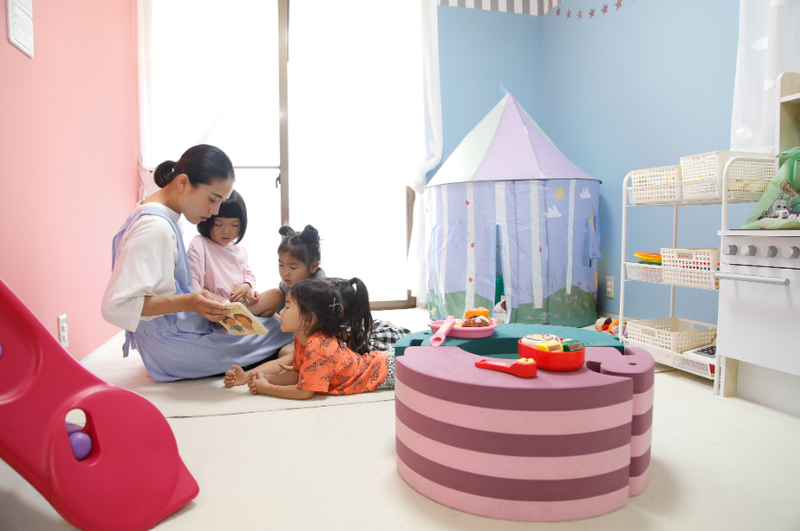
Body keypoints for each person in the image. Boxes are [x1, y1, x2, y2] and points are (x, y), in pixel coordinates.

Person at [101, 144, 294, 382]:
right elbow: (117, 306)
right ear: (183, 183)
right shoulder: (156, 227)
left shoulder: (160, 216)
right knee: (280, 330)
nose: (215, 211)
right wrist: (191, 301)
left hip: (172, 334)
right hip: (172, 347)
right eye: (213, 199)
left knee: (268, 322)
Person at [230, 278, 393, 399]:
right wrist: (264, 378)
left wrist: (267, 388)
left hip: (388, 370)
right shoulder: (301, 339)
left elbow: (305, 392)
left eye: (287, 306)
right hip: (381, 363)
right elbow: (299, 375)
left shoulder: (318, 347)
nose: (281, 312)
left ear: (308, 319)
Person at [187, 189, 259, 306]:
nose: (226, 231)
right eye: (219, 224)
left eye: (234, 225)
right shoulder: (200, 243)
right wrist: (221, 302)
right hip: (214, 304)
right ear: (207, 220)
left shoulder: (240, 249)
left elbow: (249, 274)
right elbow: (193, 282)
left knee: (275, 295)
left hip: (239, 304)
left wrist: (247, 286)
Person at [249, 224, 327, 317]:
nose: (285, 273)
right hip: (283, 319)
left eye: (293, 268)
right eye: (281, 265)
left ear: (313, 267)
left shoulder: (318, 290)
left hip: (301, 323)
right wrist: (253, 297)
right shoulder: (286, 284)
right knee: (274, 294)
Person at [328, 277, 411, 354]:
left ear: (339, 310)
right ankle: (388, 323)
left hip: (397, 338)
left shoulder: (359, 348)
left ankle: (389, 324)